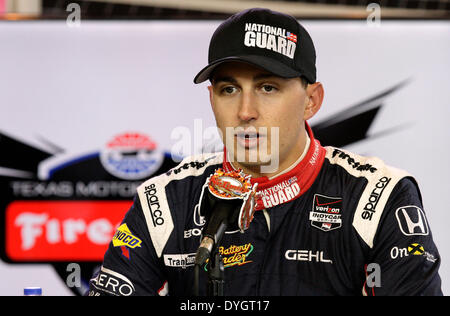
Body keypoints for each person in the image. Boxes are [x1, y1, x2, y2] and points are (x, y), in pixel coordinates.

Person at [88, 8, 442, 296]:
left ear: (311, 101)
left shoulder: (376, 197)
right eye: (229, 89)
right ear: (212, 100)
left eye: (267, 87)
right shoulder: (165, 201)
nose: (245, 111)